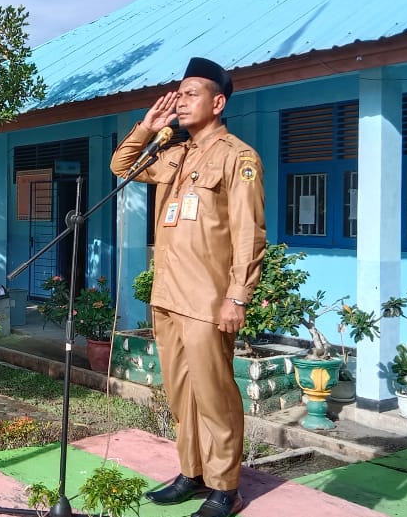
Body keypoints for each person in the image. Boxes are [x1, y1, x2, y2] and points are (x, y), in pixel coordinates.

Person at [109, 57, 266, 517]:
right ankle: (193, 472)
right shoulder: (172, 153)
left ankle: (225, 488)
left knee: (214, 393)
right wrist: (146, 125)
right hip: (168, 295)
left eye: (190, 93)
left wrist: (238, 295)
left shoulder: (237, 157)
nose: (180, 100)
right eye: (178, 92)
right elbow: (123, 166)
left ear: (218, 103)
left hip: (208, 298)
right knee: (180, 391)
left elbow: (248, 232)